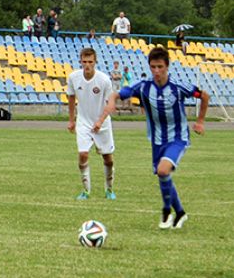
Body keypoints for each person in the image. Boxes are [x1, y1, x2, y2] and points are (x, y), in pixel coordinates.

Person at [99, 47, 210, 229]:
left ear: (167, 66)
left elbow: (204, 96)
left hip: (178, 138)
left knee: (163, 171)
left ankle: (166, 212)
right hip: (157, 140)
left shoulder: (178, 87)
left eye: (160, 67)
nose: (156, 71)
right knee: (162, 174)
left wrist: (200, 121)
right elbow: (117, 93)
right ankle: (180, 213)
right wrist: (111, 101)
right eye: (153, 67)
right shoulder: (144, 87)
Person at [67, 48, 116, 200]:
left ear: (95, 62)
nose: (87, 65)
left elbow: (110, 104)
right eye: (84, 62)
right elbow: (71, 98)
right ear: (80, 61)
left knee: (108, 158)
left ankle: (109, 189)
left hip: (102, 123)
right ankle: (86, 191)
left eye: (90, 62)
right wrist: (71, 120)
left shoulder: (104, 80)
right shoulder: (73, 77)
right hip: (83, 122)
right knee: (82, 154)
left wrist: (100, 121)